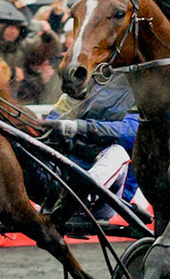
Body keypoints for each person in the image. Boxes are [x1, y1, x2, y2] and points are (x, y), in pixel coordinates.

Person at [41, 72, 143, 216]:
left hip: (108, 199)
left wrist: (78, 127)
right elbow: (50, 127)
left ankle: (77, 199)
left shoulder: (142, 92)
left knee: (118, 153)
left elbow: (130, 133)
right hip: (63, 180)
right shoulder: (85, 86)